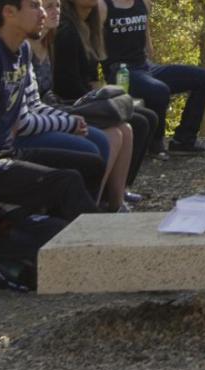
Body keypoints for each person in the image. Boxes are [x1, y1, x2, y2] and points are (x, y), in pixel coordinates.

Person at [0, 0, 101, 221]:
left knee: (92, 165)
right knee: (68, 181)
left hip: (6, 154)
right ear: (9, 12)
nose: (43, 13)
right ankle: (88, 242)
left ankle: (60, 228)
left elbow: (15, 112)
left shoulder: (22, 50)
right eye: (35, 6)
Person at [32, 0, 135, 211]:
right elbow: (28, 108)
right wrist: (66, 121)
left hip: (54, 111)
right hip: (38, 122)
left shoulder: (47, 42)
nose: (52, 12)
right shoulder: (26, 48)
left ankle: (116, 202)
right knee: (108, 137)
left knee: (126, 127)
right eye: (46, 6)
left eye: (57, 6)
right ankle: (91, 206)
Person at [60, 0, 162, 183]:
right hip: (70, 104)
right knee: (139, 122)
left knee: (148, 117)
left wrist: (100, 91)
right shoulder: (66, 31)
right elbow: (68, 84)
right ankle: (109, 194)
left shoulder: (90, 25)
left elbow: (92, 77)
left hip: (86, 97)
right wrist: (96, 100)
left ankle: (122, 188)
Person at [102, 0, 205, 154]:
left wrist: (151, 69)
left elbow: (148, 45)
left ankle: (183, 140)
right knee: (159, 90)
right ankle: (155, 143)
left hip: (146, 67)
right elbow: (94, 43)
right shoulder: (103, 6)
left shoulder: (143, 3)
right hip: (120, 72)